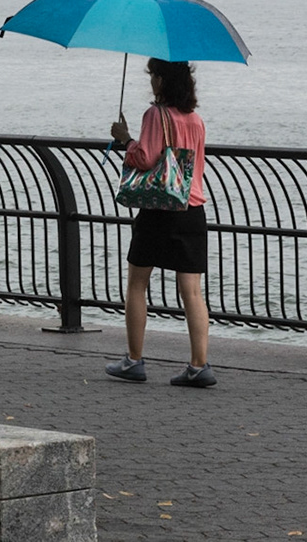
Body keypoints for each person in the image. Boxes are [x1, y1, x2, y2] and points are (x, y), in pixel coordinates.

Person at [103, 58, 216, 388]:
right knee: (192, 292)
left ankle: (134, 361)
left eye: (153, 75)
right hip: (191, 209)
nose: (150, 81)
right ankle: (199, 365)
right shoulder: (196, 120)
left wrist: (125, 139)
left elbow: (145, 158)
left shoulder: (155, 115)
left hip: (158, 211)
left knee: (138, 283)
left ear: (163, 80)